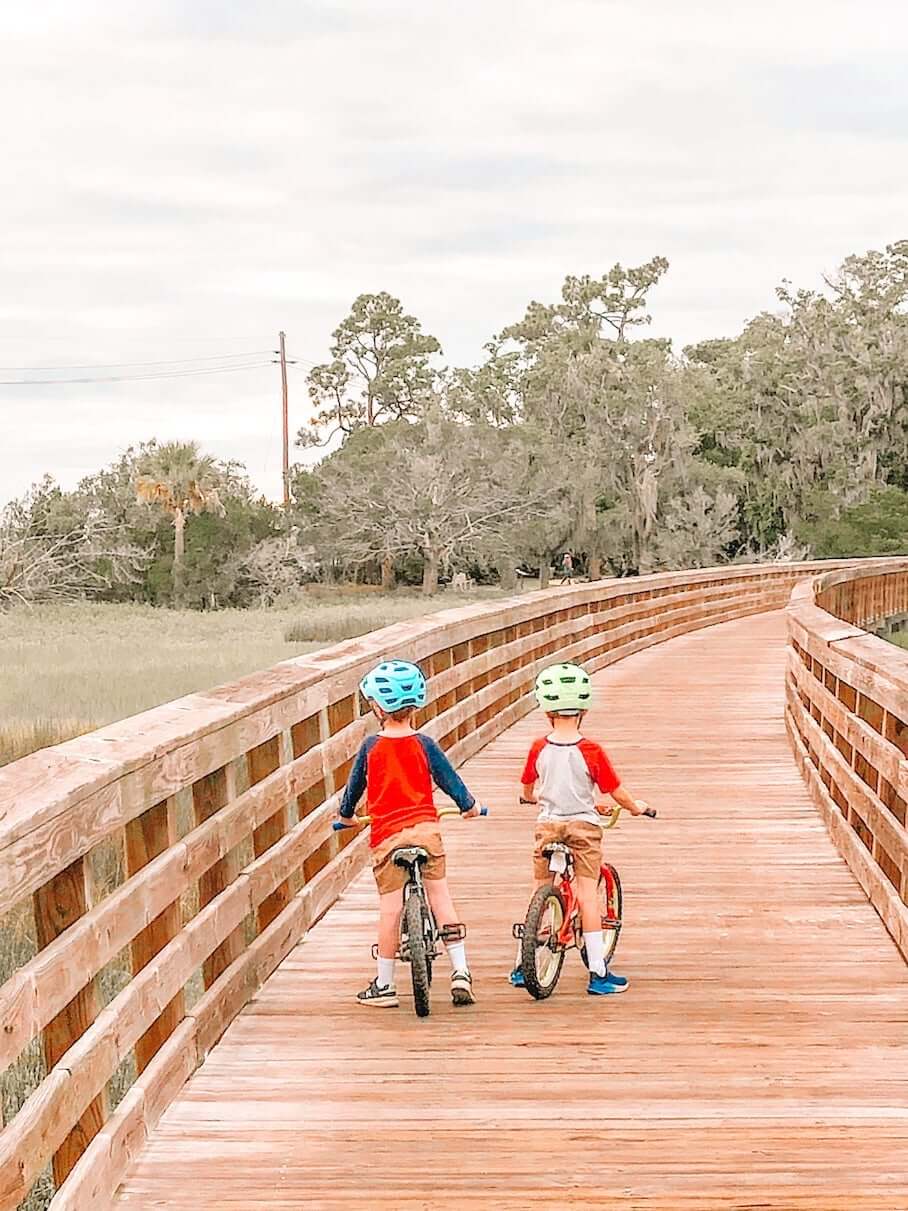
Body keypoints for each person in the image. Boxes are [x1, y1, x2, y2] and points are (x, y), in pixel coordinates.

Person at [336, 659, 482, 1008]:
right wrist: (469, 806)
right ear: (417, 704)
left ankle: (385, 985)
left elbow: (354, 790)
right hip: (426, 832)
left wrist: (346, 817)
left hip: (387, 836)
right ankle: (460, 970)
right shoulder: (425, 744)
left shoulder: (371, 747)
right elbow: (450, 781)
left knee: (390, 909)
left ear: (375, 706)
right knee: (440, 898)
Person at [511, 661, 649, 996]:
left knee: (538, 891)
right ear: (583, 709)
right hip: (582, 827)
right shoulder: (591, 750)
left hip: (548, 825)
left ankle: (521, 965)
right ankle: (598, 973)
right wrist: (636, 807)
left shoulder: (538, 747)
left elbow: (528, 786)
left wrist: (529, 798)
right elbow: (615, 791)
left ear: (546, 711)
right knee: (588, 896)